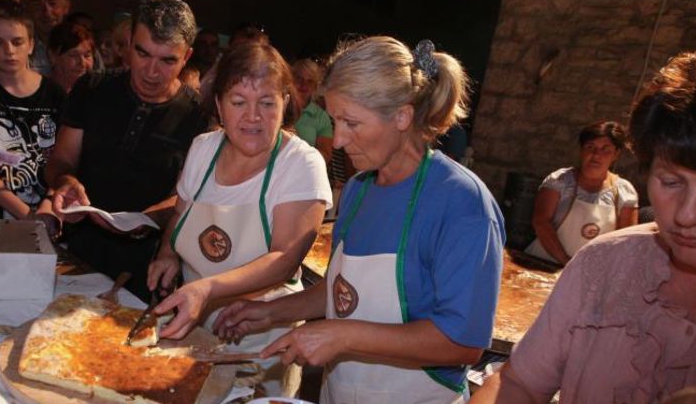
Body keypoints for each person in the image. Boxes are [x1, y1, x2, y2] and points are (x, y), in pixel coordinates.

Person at [215, 37, 505, 403]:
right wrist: (269, 312)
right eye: (335, 120)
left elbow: (462, 343)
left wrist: (342, 336)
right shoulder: (358, 189)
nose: (337, 140)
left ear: (402, 116)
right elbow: (341, 291)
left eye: (351, 122)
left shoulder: (462, 204)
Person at [471, 49, 696, 404]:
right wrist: (565, 260)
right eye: (670, 182)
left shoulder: (620, 191)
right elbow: (518, 384)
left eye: (604, 150)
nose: (687, 215)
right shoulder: (600, 264)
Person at [148, 43, 332, 397]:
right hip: (195, 331)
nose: (253, 116)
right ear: (218, 105)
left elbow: (283, 259)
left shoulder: (300, 165)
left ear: (285, 104)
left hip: (261, 345)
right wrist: (168, 253)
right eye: (238, 102)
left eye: (266, 102)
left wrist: (207, 289)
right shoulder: (203, 148)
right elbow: (180, 215)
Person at [46, 0, 207, 300]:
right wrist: (65, 182)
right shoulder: (91, 89)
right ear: (129, 43)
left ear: (186, 57)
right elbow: (60, 160)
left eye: (167, 60)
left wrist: (147, 219)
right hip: (76, 249)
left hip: (147, 266)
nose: (151, 71)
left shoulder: (199, 117)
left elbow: (190, 198)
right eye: (143, 53)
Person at [0, 0, 65, 223]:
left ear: (31, 44)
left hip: (50, 212)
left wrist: (49, 204)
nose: (9, 51)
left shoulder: (55, 93)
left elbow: (65, 158)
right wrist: (26, 215)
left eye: (17, 41)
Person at [525, 120, 638, 264]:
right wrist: (566, 262)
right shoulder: (559, 181)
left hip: (590, 274)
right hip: (543, 263)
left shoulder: (625, 192)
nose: (596, 154)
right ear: (582, 150)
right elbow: (541, 222)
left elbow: (625, 242)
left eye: (605, 149)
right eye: (590, 147)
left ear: (616, 154)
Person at [22, 0, 70, 75]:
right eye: (37, 5)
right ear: (25, 9)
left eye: (53, 3)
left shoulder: (83, 46)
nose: (46, 12)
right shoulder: (20, 48)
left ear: (66, 7)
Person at [291, 58, 333, 163]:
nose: (303, 84)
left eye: (309, 81)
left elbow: (326, 156)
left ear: (315, 86)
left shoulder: (321, 117)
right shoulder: (279, 107)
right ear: (291, 80)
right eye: (299, 78)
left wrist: (297, 146)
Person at [48, 21, 96, 93]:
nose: (82, 63)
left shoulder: (99, 96)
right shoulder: (38, 96)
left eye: (87, 56)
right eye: (73, 56)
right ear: (52, 56)